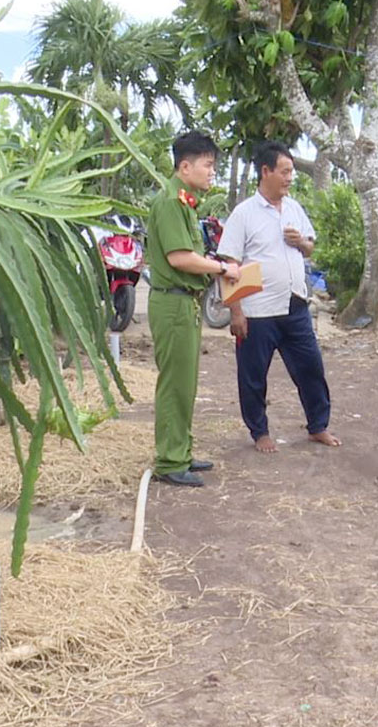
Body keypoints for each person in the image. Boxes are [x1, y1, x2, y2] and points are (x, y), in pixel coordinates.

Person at [218, 141, 341, 453]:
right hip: (257, 310)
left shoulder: (294, 208)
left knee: (311, 368)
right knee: (253, 376)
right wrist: (236, 312)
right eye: (284, 172)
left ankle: (318, 426)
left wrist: (301, 241)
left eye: (291, 173)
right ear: (265, 171)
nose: (289, 178)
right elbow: (228, 264)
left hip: (295, 304)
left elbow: (311, 247)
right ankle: (259, 432)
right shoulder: (244, 213)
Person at [145, 131, 240, 487]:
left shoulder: (183, 201)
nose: (211, 172)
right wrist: (221, 269)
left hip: (184, 302)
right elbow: (179, 257)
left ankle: (180, 451)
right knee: (174, 384)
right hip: (173, 301)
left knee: (184, 383)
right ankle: (170, 461)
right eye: (207, 165)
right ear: (185, 166)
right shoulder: (170, 202)